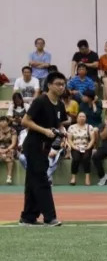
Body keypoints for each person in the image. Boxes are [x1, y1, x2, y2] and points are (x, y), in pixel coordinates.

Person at [19, 71, 66, 226]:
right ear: (50, 85)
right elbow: (25, 121)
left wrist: (62, 131)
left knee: (33, 181)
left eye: (63, 84)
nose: (61, 87)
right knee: (42, 180)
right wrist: (44, 130)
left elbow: (59, 123)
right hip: (33, 145)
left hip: (45, 147)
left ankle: (28, 217)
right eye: (58, 84)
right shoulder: (40, 101)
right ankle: (49, 217)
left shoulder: (60, 104)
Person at [66, 111, 96, 187]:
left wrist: (88, 147)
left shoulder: (90, 127)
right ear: (77, 118)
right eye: (80, 116)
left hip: (86, 146)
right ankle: (73, 178)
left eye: (83, 116)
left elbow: (93, 139)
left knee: (86, 158)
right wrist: (74, 147)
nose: (82, 118)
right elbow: (69, 139)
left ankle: (87, 178)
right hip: (75, 146)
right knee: (76, 159)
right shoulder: (71, 127)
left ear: (86, 118)